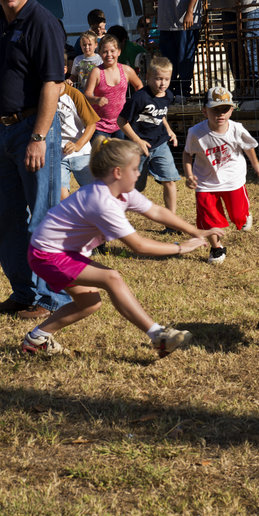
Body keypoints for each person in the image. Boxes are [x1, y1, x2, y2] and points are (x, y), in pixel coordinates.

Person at [22, 138, 217, 357]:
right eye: (134, 169)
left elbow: (156, 211)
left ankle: (36, 339)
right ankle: (159, 336)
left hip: (60, 253)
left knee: (89, 304)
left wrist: (194, 231)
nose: (138, 173)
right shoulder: (102, 202)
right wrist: (180, 248)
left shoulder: (121, 192)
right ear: (118, 172)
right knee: (112, 278)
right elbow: (138, 246)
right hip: (47, 255)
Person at [0, 0, 73, 320]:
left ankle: (53, 298)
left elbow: (52, 84)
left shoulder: (43, 23)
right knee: (6, 217)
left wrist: (39, 137)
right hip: (2, 131)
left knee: (43, 216)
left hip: (33, 129)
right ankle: (23, 292)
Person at [183, 85, 259, 265]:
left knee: (238, 216)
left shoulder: (236, 129)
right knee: (209, 218)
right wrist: (189, 175)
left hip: (233, 179)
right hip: (205, 182)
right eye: (215, 110)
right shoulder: (195, 132)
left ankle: (244, 215)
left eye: (225, 109)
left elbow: (248, 146)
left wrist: (256, 163)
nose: (220, 114)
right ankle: (217, 248)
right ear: (204, 111)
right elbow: (187, 153)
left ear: (232, 110)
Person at [117, 56, 182, 218]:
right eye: (158, 79)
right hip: (136, 148)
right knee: (132, 186)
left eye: (166, 79)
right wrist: (137, 141)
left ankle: (171, 220)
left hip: (160, 143)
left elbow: (160, 114)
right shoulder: (140, 97)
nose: (163, 83)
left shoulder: (168, 95)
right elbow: (121, 121)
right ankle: (114, 216)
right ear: (148, 78)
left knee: (169, 179)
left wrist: (169, 130)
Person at [84, 35, 144, 145]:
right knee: (102, 155)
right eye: (105, 52)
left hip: (121, 124)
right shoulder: (96, 72)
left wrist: (134, 105)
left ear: (119, 52)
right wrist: (96, 100)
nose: (109, 55)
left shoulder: (126, 70)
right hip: (99, 126)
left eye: (112, 51)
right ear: (99, 53)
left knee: (120, 155)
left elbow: (139, 86)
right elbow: (86, 95)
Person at [56, 51, 100, 200]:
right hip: (58, 154)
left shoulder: (74, 94)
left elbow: (91, 124)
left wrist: (78, 145)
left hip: (81, 153)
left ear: (65, 69)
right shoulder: (42, 95)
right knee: (61, 196)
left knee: (94, 195)